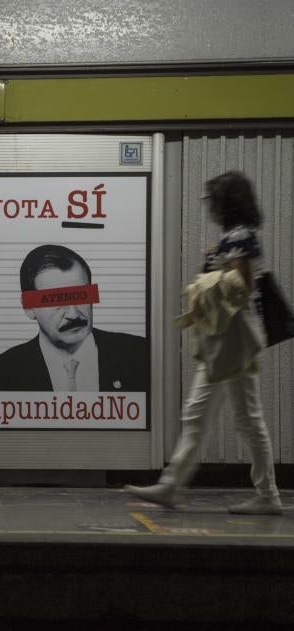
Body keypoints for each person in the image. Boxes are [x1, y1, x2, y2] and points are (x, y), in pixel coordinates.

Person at [126, 171, 281, 514]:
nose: (210, 207)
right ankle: (171, 485)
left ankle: (267, 495)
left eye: (213, 200)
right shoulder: (234, 236)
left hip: (234, 339)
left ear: (227, 201)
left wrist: (212, 272)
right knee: (198, 412)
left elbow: (242, 285)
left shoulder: (240, 236)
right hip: (221, 336)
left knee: (247, 418)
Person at [0, 244, 147, 392]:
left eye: (82, 295)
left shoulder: (142, 355)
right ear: (28, 307)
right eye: (55, 300)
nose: (73, 314)